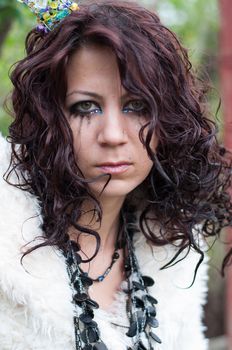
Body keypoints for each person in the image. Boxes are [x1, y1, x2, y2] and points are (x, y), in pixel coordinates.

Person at [0, 0, 231, 349]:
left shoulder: (174, 260)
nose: (112, 134)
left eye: (136, 106)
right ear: (49, 122)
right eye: (85, 107)